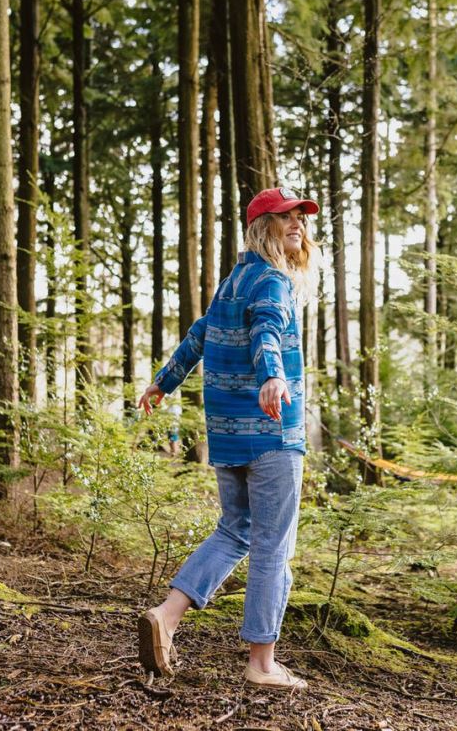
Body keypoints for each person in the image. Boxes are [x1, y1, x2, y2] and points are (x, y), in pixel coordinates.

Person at [137, 186, 320, 690]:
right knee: (273, 548)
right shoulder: (273, 282)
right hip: (272, 430)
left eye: (301, 218)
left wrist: (163, 381)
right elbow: (267, 330)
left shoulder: (233, 281)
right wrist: (272, 375)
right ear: (262, 227)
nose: (297, 225)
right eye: (285, 217)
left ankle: (166, 616)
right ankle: (262, 664)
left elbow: (200, 334)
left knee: (236, 530)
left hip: (229, 435)